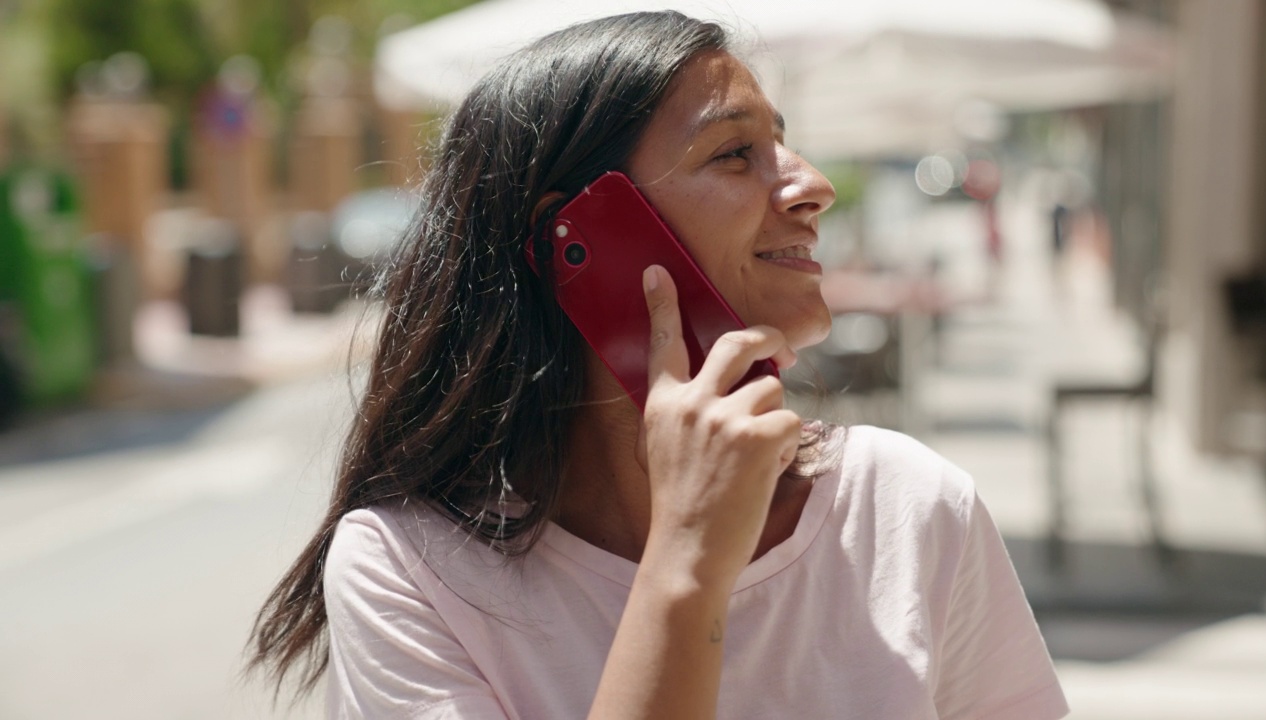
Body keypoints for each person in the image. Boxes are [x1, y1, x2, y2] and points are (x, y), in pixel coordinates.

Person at [248, 11, 1069, 719]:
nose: (813, 186)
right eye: (734, 154)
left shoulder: (910, 508)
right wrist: (687, 563)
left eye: (781, 143)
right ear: (577, 237)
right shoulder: (411, 574)